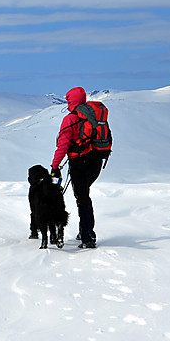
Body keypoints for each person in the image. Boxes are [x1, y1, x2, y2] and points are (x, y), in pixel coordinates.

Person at [51, 86, 101, 249]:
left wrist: (55, 166)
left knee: (83, 198)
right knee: (84, 195)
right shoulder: (94, 115)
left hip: (79, 162)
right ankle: (84, 231)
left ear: (70, 100)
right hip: (96, 161)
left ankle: (88, 236)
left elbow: (62, 145)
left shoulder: (70, 119)